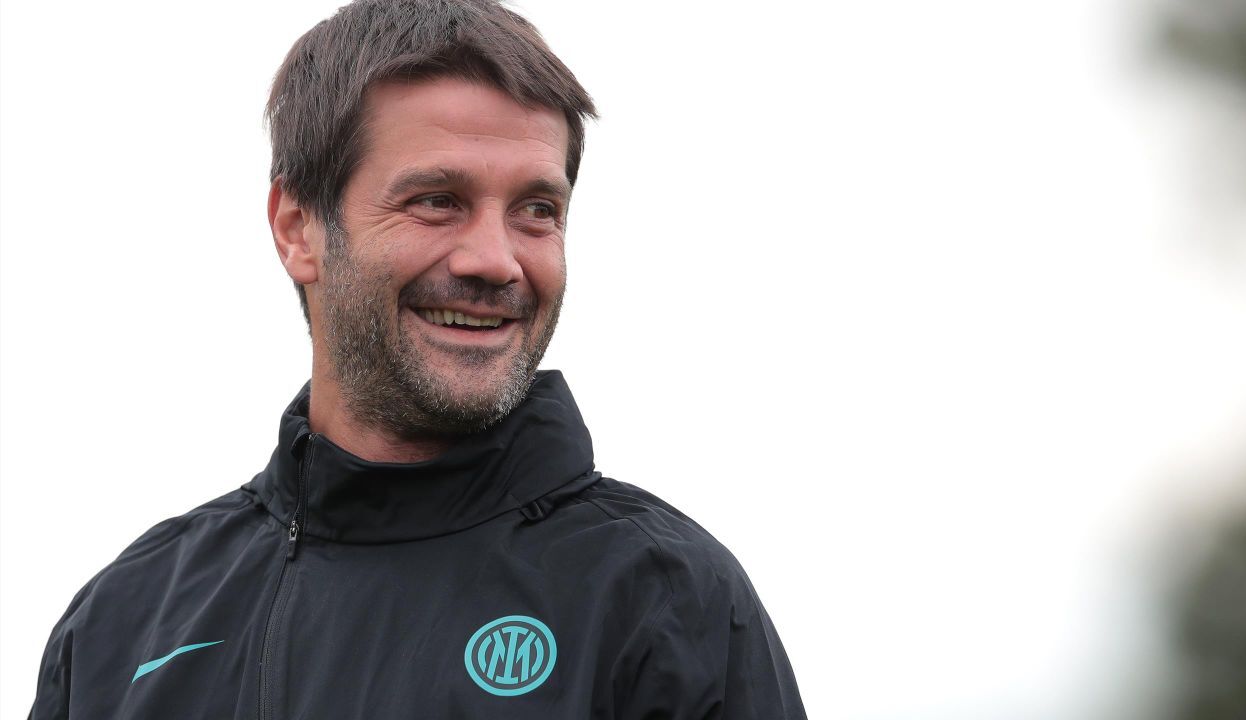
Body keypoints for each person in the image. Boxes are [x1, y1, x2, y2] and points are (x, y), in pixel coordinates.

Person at [28, 0, 806, 716]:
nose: (495, 260)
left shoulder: (665, 605)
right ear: (298, 228)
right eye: (437, 201)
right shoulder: (123, 624)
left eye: (537, 210)